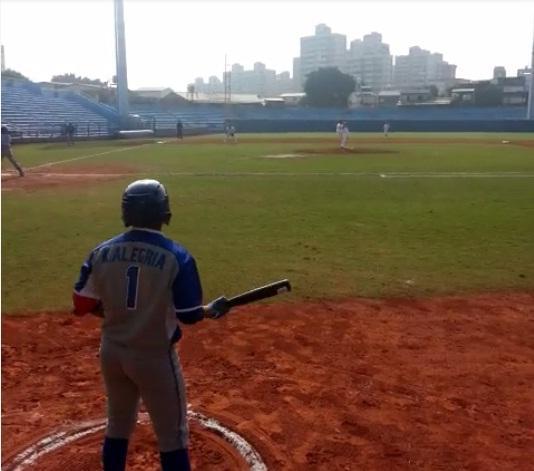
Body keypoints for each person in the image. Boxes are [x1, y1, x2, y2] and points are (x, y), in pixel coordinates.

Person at [72, 179, 230, 471]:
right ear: (164, 214)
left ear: (126, 213)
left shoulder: (100, 252)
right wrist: (209, 311)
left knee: (118, 424)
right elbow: (188, 314)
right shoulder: (177, 256)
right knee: (173, 436)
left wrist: (117, 314)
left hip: (112, 353)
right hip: (154, 359)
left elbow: (81, 305)